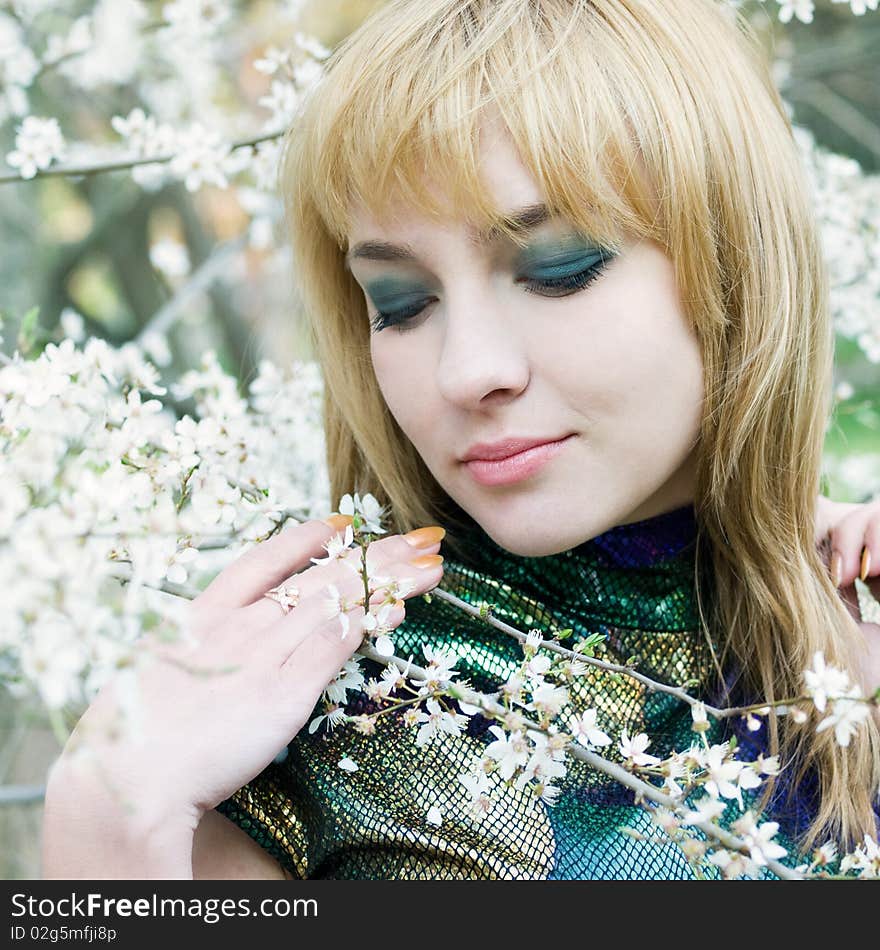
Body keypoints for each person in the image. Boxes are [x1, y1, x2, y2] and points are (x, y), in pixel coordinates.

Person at [42, 0, 880, 880]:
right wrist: (106, 820)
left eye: (557, 268)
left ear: (737, 269)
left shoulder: (843, 640)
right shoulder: (335, 703)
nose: (464, 371)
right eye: (400, 304)